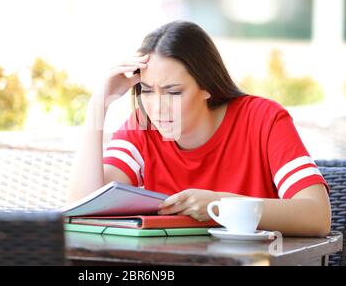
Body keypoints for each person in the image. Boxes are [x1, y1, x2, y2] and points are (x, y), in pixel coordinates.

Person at [68, 21, 331, 237]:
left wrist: (221, 205)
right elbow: (82, 208)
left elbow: (317, 216)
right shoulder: (143, 127)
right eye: (147, 91)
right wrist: (98, 106)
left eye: (173, 92)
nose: (157, 108)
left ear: (207, 86)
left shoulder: (263, 119)